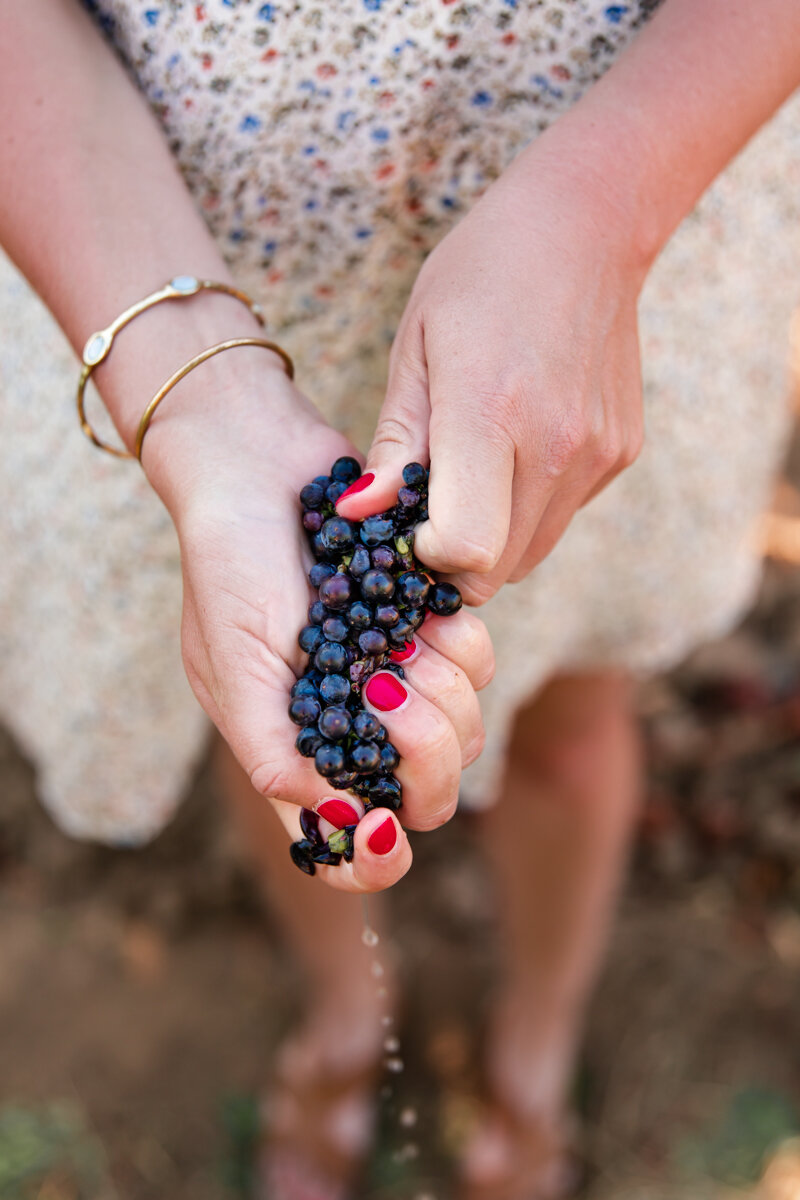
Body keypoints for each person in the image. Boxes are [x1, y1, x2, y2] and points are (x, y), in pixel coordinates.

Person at [1, 1, 799, 1196]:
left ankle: (536, 1032)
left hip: (605, 256)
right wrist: (198, 399)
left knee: (571, 723)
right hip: (188, 250)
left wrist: (607, 197)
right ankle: (342, 1011)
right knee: (273, 720)